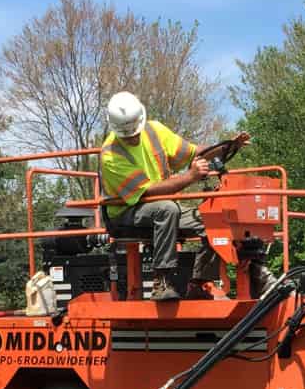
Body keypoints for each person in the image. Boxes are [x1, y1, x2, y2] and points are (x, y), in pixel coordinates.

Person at [98, 91, 274, 301]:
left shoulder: (154, 130)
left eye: (135, 131)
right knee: (167, 209)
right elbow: (147, 191)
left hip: (158, 205)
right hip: (124, 213)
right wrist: (190, 177)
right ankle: (161, 282)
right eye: (128, 135)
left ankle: (200, 283)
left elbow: (194, 153)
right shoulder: (111, 155)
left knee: (212, 217)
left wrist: (225, 147)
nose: (134, 137)